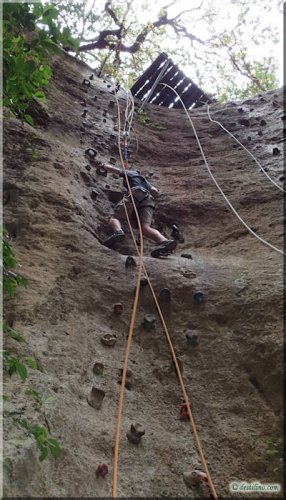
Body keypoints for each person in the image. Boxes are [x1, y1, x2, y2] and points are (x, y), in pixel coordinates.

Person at [102, 164, 177, 257]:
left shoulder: (132, 174)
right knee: (145, 228)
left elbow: (113, 169)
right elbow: (155, 191)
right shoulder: (147, 182)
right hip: (149, 200)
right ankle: (164, 241)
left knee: (115, 217)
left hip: (136, 192)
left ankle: (118, 232)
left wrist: (104, 165)